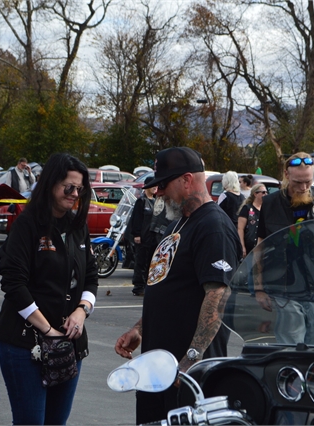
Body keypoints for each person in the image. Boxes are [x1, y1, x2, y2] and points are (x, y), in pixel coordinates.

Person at [114, 147, 241, 424]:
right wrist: (139, 329)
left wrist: (191, 359)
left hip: (187, 376)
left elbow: (218, 295)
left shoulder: (213, 226)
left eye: (163, 184)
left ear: (186, 180)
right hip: (158, 370)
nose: (158, 192)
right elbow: (168, 288)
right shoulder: (179, 223)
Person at [0, 153, 98, 425]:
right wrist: (47, 330)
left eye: (79, 189)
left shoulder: (77, 226)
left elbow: (91, 277)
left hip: (69, 346)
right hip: (25, 345)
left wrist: (81, 311)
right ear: (51, 183)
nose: (74, 194)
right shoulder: (27, 224)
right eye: (68, 187)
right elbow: (13, 283)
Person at [255, 152, 314, 346]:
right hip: (284, 287)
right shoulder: (270, 203)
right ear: (286, 175)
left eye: (308, 182)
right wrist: (259, 288)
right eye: (298, 182)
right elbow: (261, 246)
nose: (304, 187)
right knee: (292, 346)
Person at [130, 177, 158, 296]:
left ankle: (148, 285)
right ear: (146, 186)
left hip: (153, 238)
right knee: (140, 262)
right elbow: (136, 219)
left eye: (156, 185)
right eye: (153, 185)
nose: (155, 187)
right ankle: (138, 287)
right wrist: (137, 234)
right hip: (142, 237)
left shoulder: (156, 201)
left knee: (151, 262)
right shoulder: (141, 201)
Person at [237, 183, 266, 260]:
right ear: (255, 194)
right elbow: (240, 229)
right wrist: (242, 246)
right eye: (263, 192)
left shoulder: (266, 209)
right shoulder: (247, 208)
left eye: (266, 192)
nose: (265, 194)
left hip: (261, 247)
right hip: (249, 246)